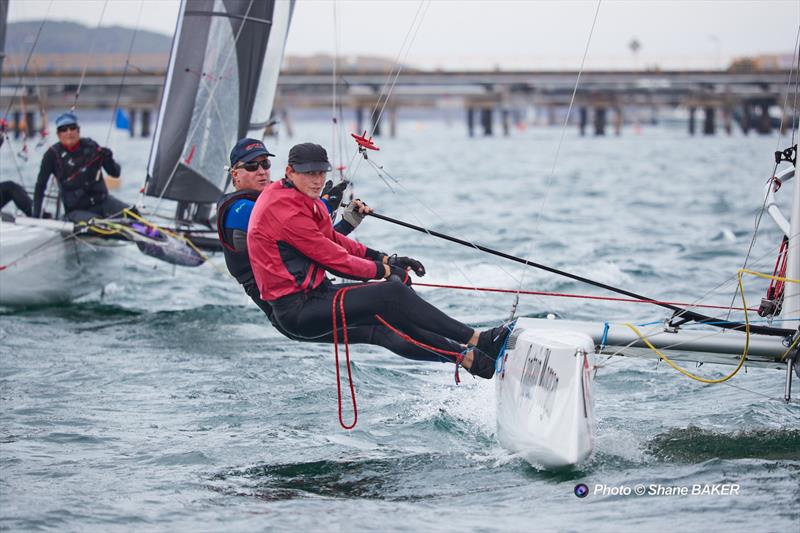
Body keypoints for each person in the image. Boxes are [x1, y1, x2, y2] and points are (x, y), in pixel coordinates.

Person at [247, 142, 511, 379]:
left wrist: (382, 258)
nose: (317, 180)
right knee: (391, 294)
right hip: (298, 310)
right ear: (290, 171)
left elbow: (335, 240)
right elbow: (333, 259)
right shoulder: (284, 209)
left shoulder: (303, 197)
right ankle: (478, 339)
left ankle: (470, 359)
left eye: (321, 173)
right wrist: (384, 271)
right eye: (309, 174)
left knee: (390, 313)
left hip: (316, 296)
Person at [216, 138, 369, 331]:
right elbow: (298, 230)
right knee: (386, 304)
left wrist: (347, 223)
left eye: (265, 164)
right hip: (290, 313)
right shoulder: (241, 209)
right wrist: (324, 205)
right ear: (235, 174)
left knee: (382, 321)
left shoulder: (268, 203)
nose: (262, 171)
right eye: (252, 166)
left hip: (308, 299)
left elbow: (314, 245)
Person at [32, 112, 131, 222]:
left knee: (133, 213)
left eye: (72, 128)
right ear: (58, 135)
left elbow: (115, 173)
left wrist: (109, 159)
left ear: (78, 131)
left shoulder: (91, 146)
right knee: (98, 223)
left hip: (103, 202)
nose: (69, 132)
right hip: (76, 211)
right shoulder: (51, 155)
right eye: (64, 129)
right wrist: (35, 217)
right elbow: (40, 186)